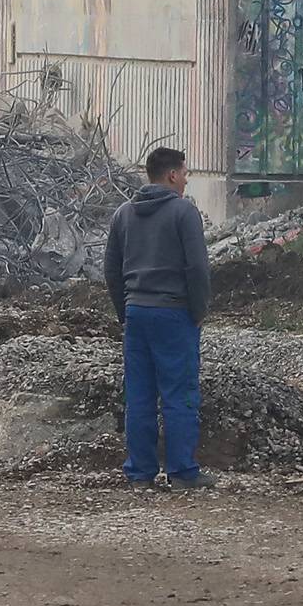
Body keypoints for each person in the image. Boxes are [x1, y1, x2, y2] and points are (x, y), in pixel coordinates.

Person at [104, 145, 213, 487]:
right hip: (174, 314)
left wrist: (125, 311)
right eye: (183, 174)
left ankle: (140, 473)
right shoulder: (184, 213)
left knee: (138, 396)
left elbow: (111, 269)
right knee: (178, 395)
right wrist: (198, 312)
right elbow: (197, 267)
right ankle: (182, 473)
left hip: (137, 314)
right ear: (171, 175)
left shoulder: (123, 213)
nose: (185, 181)